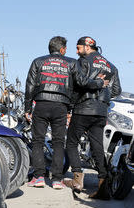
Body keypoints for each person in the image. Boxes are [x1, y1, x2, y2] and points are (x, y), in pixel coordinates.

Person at [24, 36, 108, 189]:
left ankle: (38, 177)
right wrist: (100, 83)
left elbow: (29, 86)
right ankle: (57, 179)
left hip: (41, 104)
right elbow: (82, 83)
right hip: (61, 107)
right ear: (62, 49)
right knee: (58, 142)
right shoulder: (71, 62)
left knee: (37, 141)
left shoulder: (38, 61)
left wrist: (27, 109)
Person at [65, 36, 121, 199]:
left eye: (78, 48)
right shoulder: (111, 66)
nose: (76, 51)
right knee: (97, 147)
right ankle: (103, 186)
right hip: (101, 111)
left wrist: (71, 105)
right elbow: (116, 90)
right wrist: (103, 93)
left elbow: (78, 84)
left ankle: (77, 178)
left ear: (87, 47)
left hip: (84, 108)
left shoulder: (83, 61)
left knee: (71, 142)